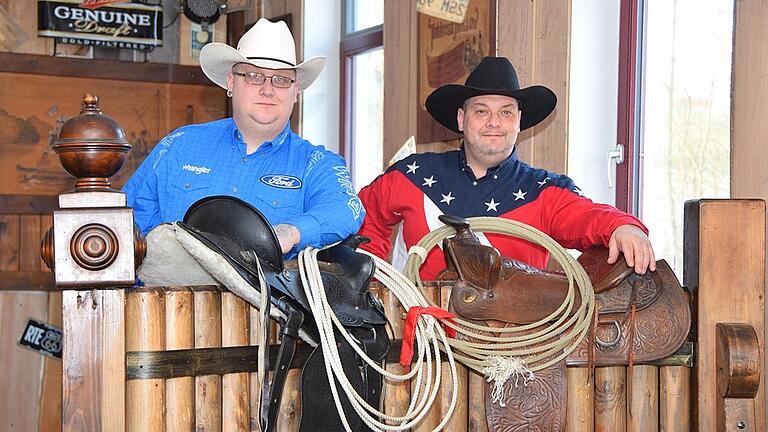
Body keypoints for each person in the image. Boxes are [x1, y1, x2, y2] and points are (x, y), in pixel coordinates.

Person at [358, 56, 655, 280]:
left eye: (506, 112)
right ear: (462, 119)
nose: (494, 122)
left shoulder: (546, 191)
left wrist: (624, 226)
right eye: (481, 111)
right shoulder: (412, 174)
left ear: (519, 121)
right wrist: (371, 281)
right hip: (426, 344)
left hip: (514, 347)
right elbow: (361, 217)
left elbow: (590, 216)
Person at [123, 18, 364, 256]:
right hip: (173, 293)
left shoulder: (317, 164)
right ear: (231, 82)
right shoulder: (178, 145)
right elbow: (125, 221)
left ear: (295, 92)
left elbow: (347, 209)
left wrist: (291, 233)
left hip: (266, 295)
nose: (267, 90)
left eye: (281, 79)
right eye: (253, 76)